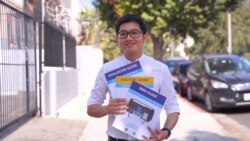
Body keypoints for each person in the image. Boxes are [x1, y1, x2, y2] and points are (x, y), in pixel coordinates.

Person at [87, 14, 180, 141]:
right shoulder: (107, 69)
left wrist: (165, 132)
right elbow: (91, 108)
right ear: (117, 38)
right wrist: (107, 109)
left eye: (134, 33)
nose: (129, 38)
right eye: (123, 34)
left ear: (145, 37)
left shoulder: (160, 69)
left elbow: (173, 107)